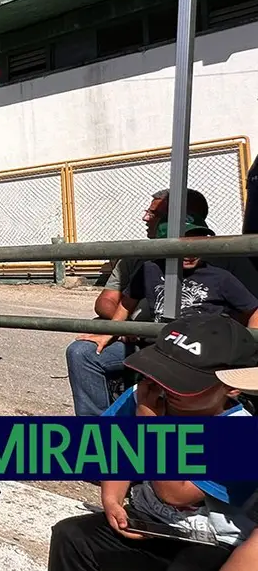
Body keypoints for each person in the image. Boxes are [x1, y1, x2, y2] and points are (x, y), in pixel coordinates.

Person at [48, 315, 258, 571]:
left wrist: (149, 424)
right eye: (161, 373)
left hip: (211, 541)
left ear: (231, 387)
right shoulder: (146, 397)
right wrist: (112, 499)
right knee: (71, 536)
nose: (165, 387)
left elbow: (174, 494)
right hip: (149, 520)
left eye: (181, 381)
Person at [69, 188, 255, 417]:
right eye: (182, 241)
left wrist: (245, 347)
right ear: (164, 243)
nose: (190, 248)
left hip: (199, 352)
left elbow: (252, 309)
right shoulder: (147, 266)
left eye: (196, 239)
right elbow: (122, 302)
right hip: (154, 346)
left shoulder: (220, 272)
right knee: (81, 352)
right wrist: (115, 329)